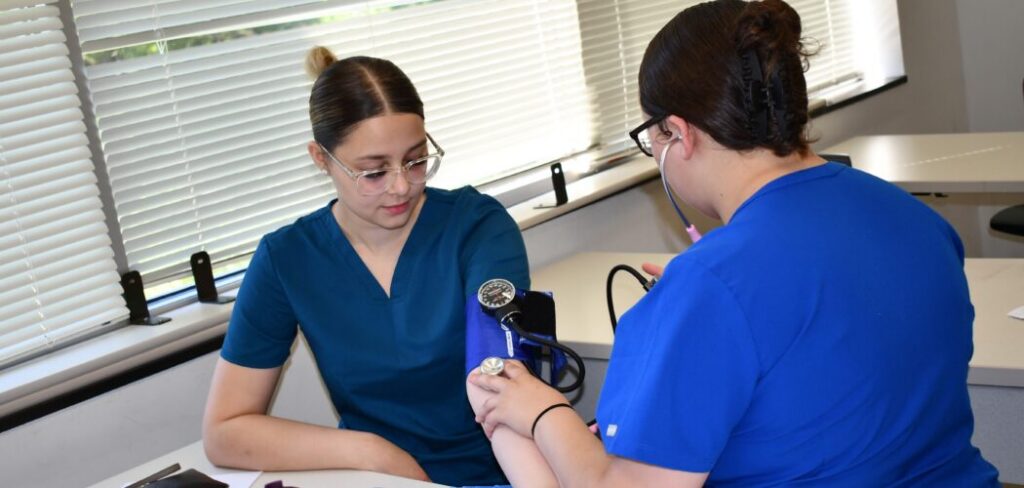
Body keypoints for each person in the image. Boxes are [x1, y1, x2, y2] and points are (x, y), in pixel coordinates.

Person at [468, 0, 1001, 486]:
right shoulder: (915, 217)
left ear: (678, 133)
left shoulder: (713, 285)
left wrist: (542, 411)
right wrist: (700, 310)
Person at [202, 46, 529, 487]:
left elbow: (507, 387)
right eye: (374, 172)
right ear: (321, 158)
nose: (401, 186)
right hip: (372, 477)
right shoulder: (288, 258)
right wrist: (372, 452)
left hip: (497, 473)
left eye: (416, 160)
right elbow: (225, 431)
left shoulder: (478, 228)